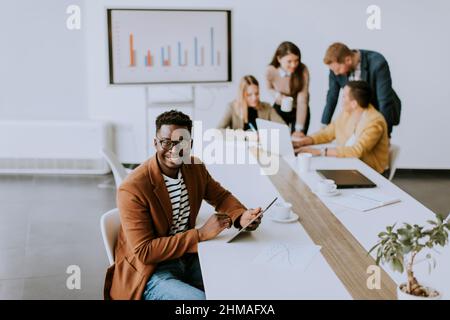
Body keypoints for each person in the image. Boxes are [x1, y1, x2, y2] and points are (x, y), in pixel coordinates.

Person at [104, 110, 263, 300]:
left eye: (182, 142)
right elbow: (144, 252)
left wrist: (241, 216)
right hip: (150, 271)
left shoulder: (194, 167)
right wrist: (200, 234)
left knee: (239, 280)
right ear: (155, 143)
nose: (174, 149)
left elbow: (221, 197)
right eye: (166, 142)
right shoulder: (132, 188)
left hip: (187, 257)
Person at [293, 81, 389, 174]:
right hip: (349, 164)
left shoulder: (375, 121)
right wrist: (303, 142)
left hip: (370, 172)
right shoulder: (347, 112)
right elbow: (328, 133)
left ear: (354, 103)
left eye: (344, 96)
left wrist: (319, 151)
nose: (341, 100)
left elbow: (357, 151)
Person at [321, 42, 401, 137]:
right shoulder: (335, 67)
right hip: (356, 119)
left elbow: (384, 101)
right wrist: (324, 126)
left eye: (338, 70)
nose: (336, 74)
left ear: (348, 60)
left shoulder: (377, 63)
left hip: (378, 113)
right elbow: (332, 97)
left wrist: (385, 134)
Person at [265, 41, 311, 138]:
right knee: (277, 139)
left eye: (296, 60)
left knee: (298, 141)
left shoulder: (303, 70)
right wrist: (279, 97)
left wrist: (299, 128)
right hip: (280, 108)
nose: (294, 65)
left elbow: (302, 100)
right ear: (279, 59)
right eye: (289, 61)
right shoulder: (270, 71)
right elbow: (269, 88)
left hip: (299, 109)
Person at [218, 75, 284, 130]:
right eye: (249, 95)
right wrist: (239, 135)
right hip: (241, 145)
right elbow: (219, 130)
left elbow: (283, 127)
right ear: (242, 94)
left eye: (257, 93)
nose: (254, 98)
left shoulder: (267, 107)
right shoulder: (232, 107)